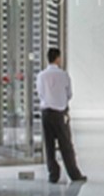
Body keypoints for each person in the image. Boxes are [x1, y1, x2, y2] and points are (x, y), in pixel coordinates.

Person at [36, 48, 85, 184]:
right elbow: (69, 94)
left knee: (49, 146)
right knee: (66, 145)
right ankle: (74, 174)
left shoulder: (41, 75)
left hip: (46, 113)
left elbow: (40, 93)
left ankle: (53, 175)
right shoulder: (64, 75)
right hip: (59, 113)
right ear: (57, 58)